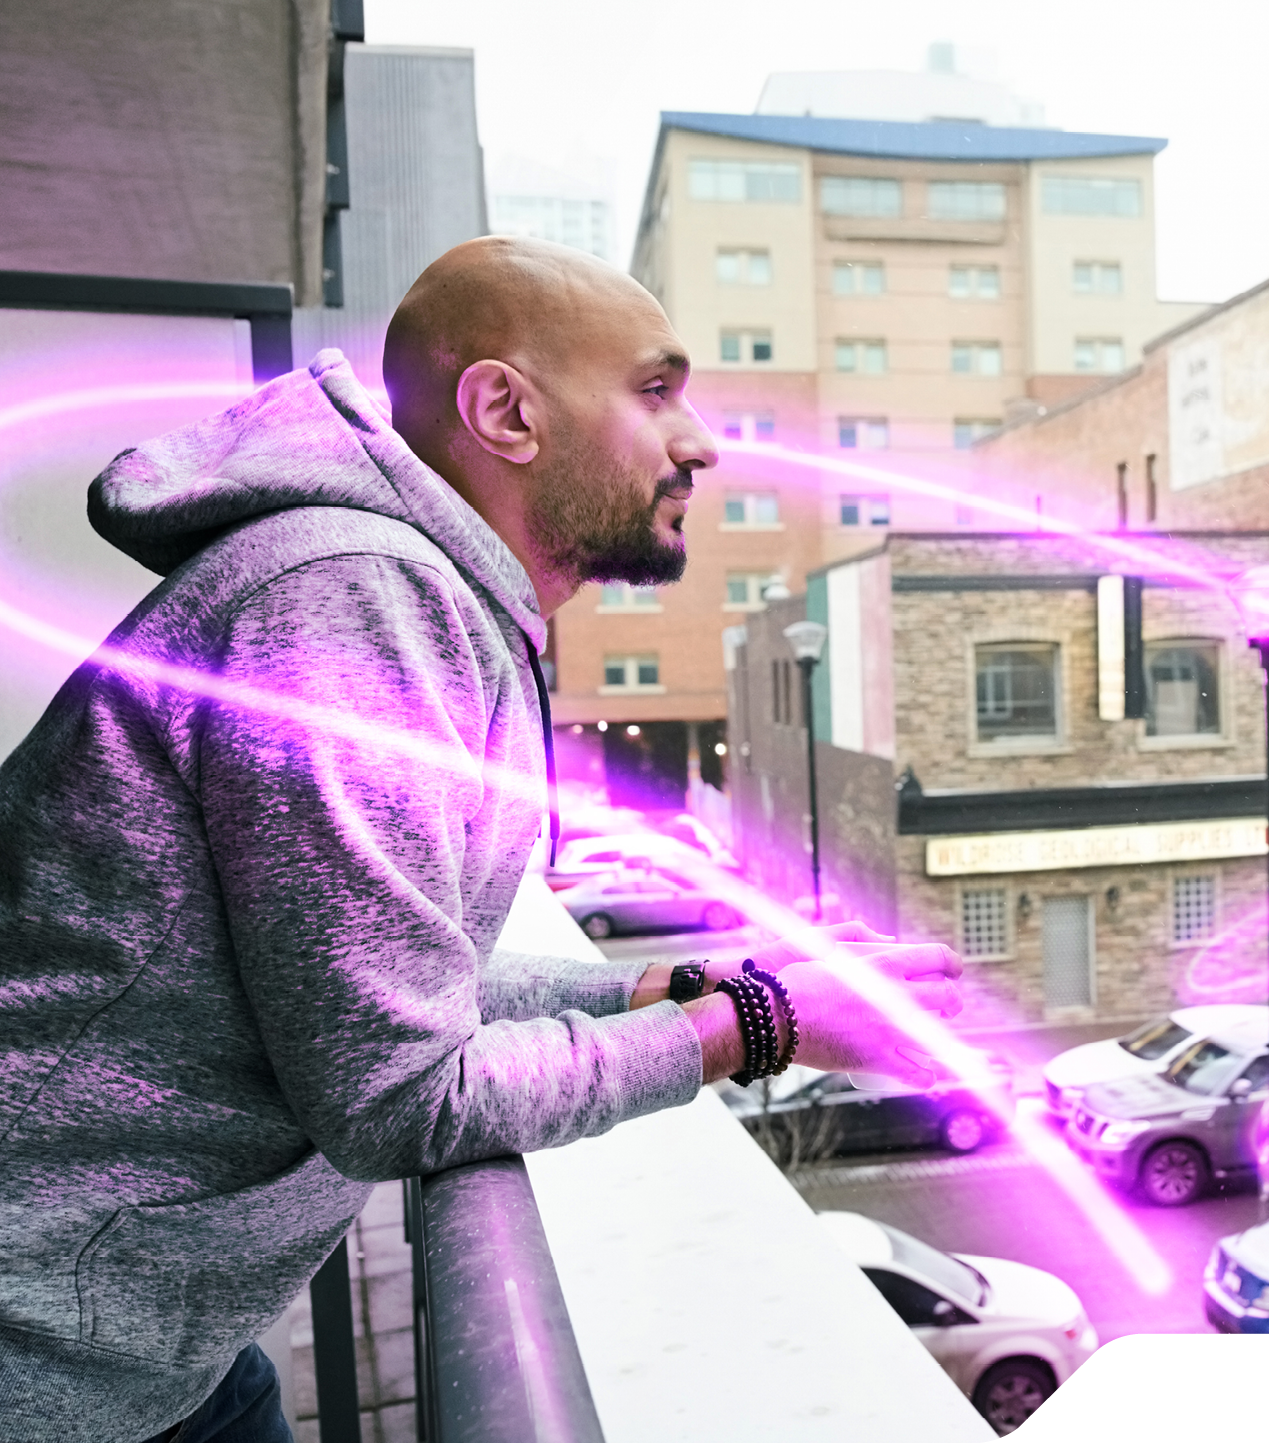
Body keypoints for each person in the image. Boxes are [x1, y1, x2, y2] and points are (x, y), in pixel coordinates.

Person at [0, 238, 963, 1443]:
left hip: (151, 1346)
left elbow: (381, 991)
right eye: (656, 391)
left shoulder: (421, 601)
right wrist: (758, 1028)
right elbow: (402, 1095)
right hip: (40, 1354)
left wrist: (664, 988)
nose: (702, 441)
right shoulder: (353, 603)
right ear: (505, 410)